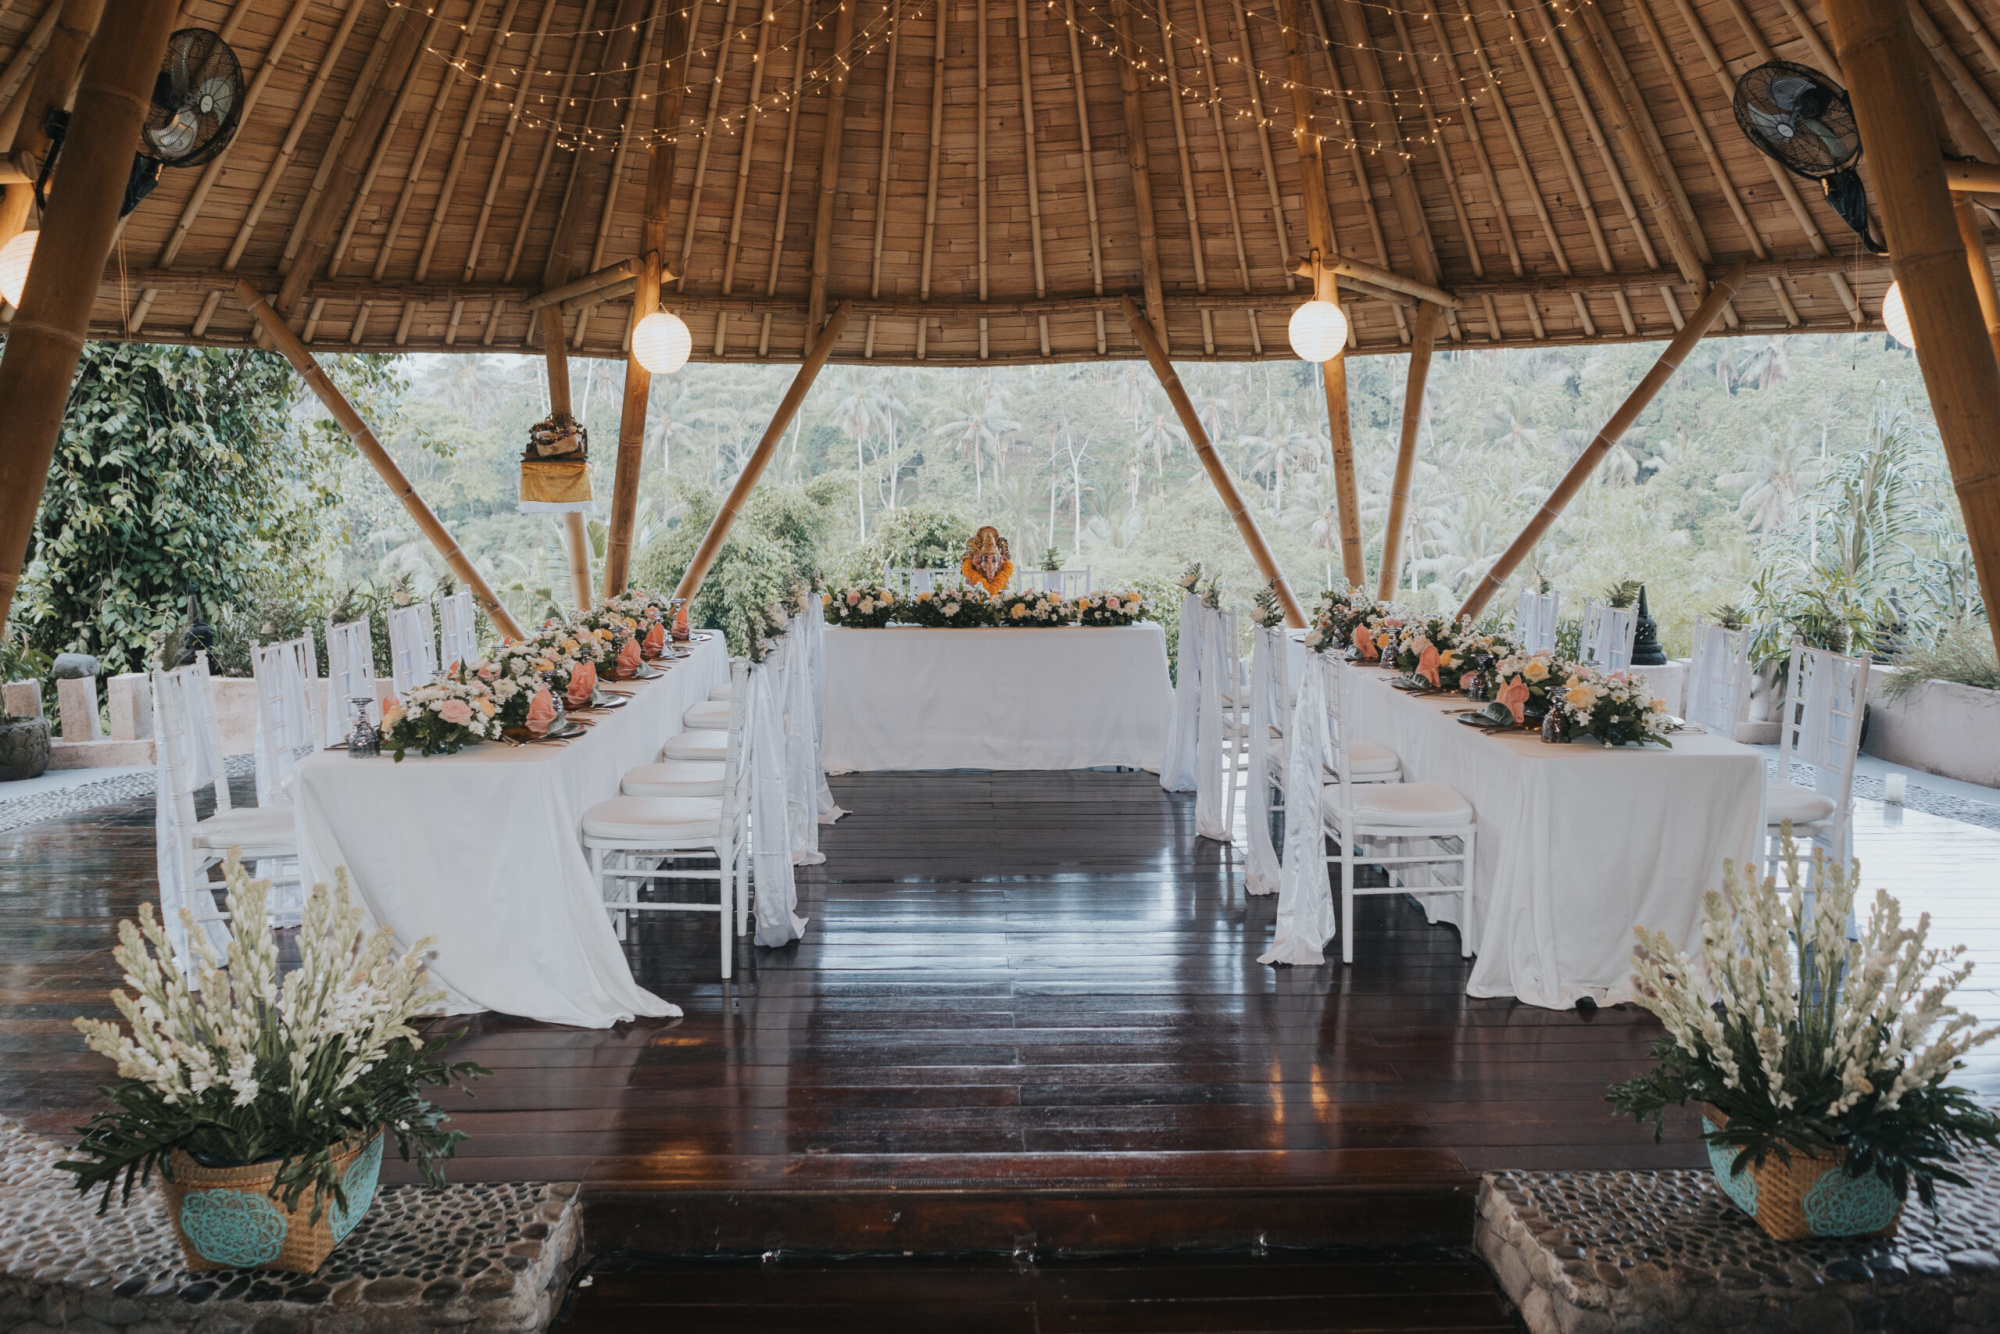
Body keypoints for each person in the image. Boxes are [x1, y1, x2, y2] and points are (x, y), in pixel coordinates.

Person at [960, 527, 1014, 596]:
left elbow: (1007, 597)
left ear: (999, 562)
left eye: (994, 560)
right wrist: (971, 588)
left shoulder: (1004, 578)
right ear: (978, 562)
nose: (990, 566)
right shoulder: (971, 578)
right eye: (985, 560)